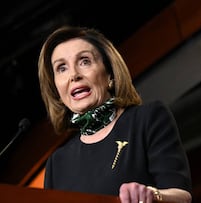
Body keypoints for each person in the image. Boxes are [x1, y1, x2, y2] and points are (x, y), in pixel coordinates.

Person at [37, 26, 192, 203]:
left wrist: (152, 195)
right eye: (61, 68)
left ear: (109, 72)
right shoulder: (57, 164)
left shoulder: (146, 119)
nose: (74, 75)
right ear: (56, 88)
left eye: (84, 61)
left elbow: (182, 196)